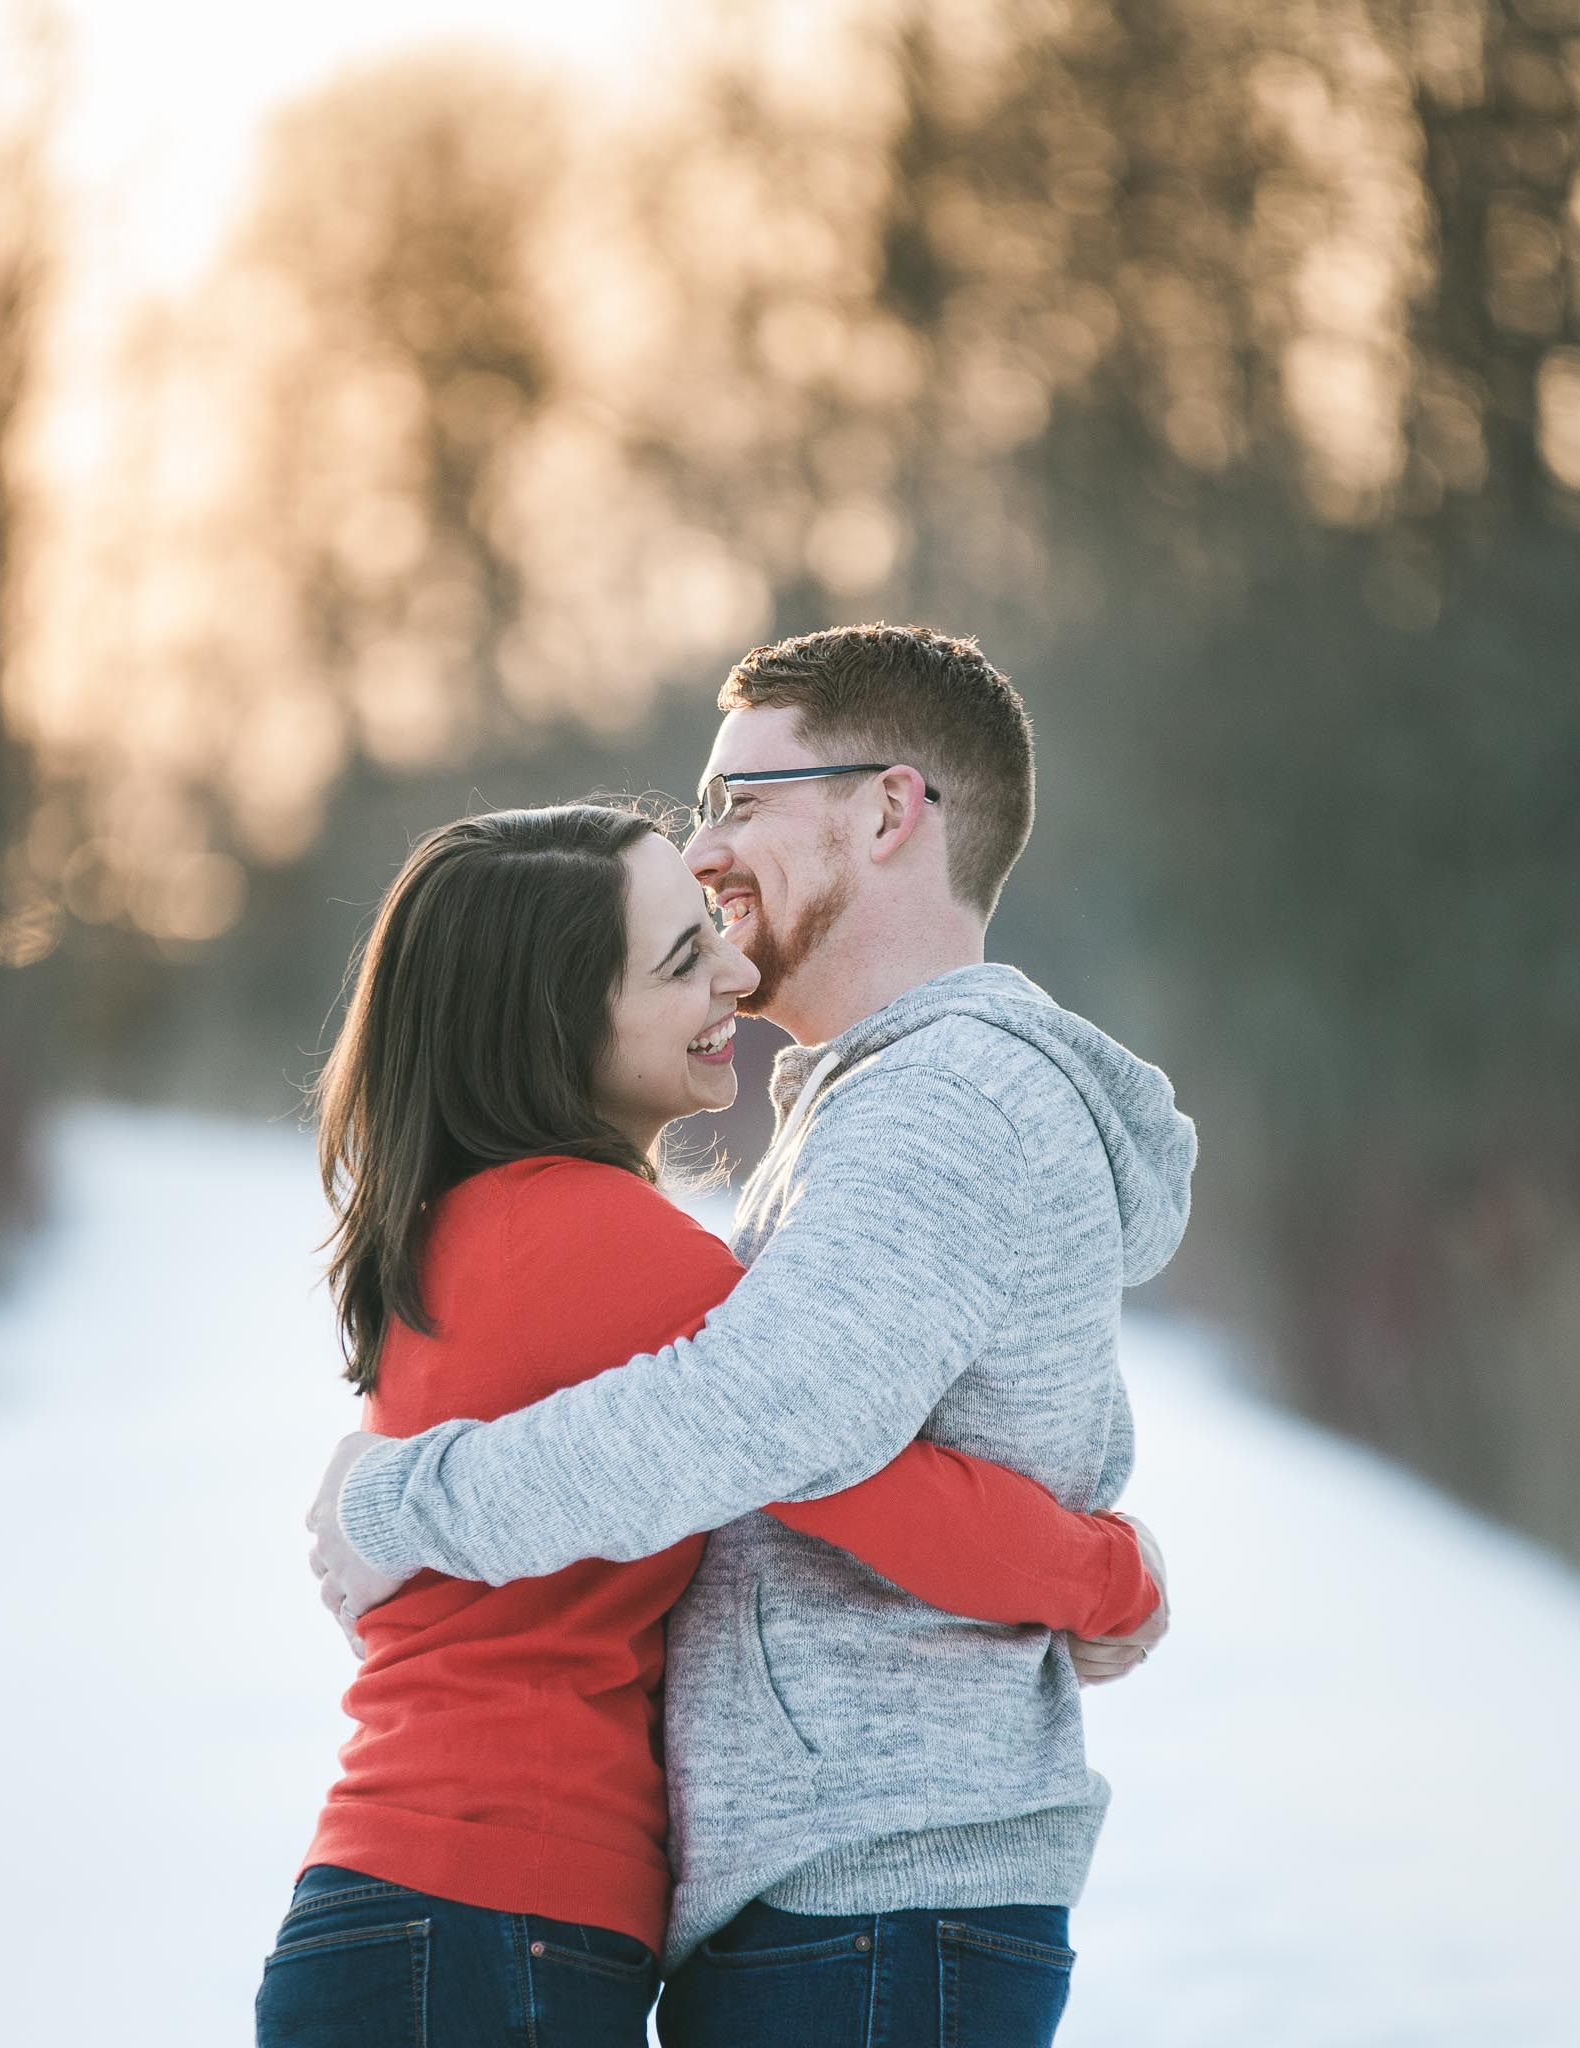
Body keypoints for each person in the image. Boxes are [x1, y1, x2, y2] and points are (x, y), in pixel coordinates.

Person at [307, 624, 1195, 2048]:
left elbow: (766, 1419)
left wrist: (403, 1499)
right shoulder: (845, 1117)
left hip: (876, 1890)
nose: (707, 844)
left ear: (888, 809)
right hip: (819, 1896)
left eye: (740, 800)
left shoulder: (942, 1101)